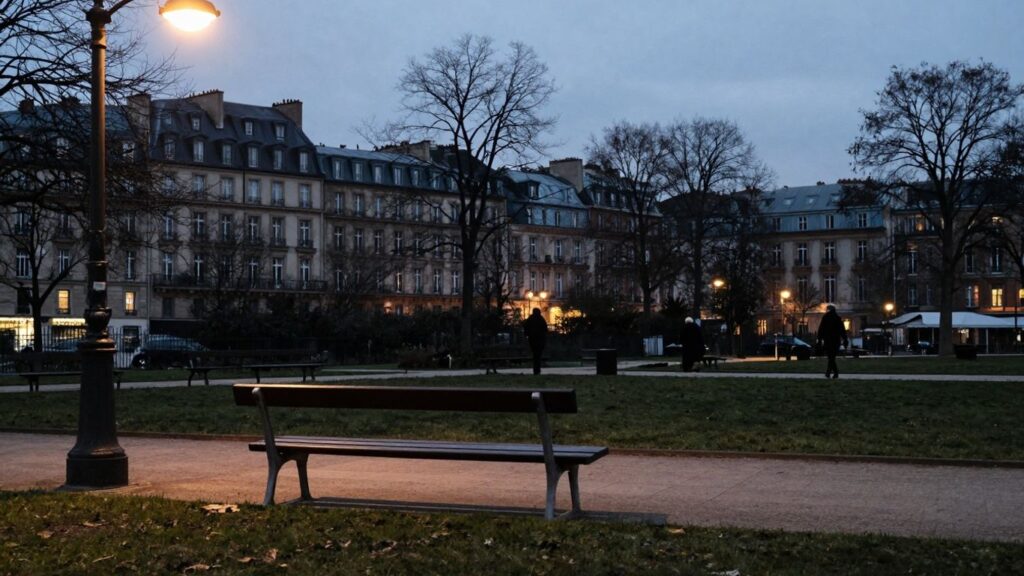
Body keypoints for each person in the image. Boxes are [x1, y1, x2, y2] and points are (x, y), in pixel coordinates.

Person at [817, 304, 848, 379]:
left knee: (830, 357)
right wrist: (845, 339)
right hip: (836, 340)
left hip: (828, 340)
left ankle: (832, 372)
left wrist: (820, 339)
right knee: (832, 357)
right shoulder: (837, 318)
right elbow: (842, 330)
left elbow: (821, 329)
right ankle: (831, 372)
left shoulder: (825, 317)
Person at [523, 307, 548, 375]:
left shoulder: (530, 319)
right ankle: (537, 369)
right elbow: (545, 329)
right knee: (538, 355)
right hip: (540, 340)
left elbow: (526, 328)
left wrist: (527, 335)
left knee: (535, 355)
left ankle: (536, 369)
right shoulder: (541, 319)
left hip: (532, 340)